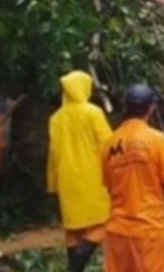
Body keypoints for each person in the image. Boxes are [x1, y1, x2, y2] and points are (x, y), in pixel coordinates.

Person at [102, 85, 164, 272]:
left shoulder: (109, 144)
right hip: (150, 230)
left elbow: (109, 187)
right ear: (151, 107)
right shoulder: (158, 140)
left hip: (118, 230)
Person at [48, 71, 113, 272]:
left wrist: (52, 183)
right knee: (103, 224)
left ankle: (74, 267)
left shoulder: (56, 118)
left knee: (73, 229)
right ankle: (74, 269)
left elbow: (54, 152)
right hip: (93, 178)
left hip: (67, 179)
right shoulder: (93, 112)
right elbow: (108, 145)